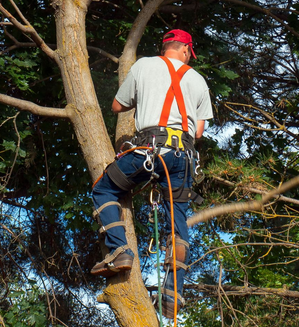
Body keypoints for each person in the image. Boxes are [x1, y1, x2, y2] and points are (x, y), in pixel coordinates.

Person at [90, 29, 213, 319]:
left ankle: (120, 252)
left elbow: (117, 105)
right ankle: (172, 296)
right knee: (177, 226)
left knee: (105, 189)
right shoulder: (198, 80)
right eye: (188, 53)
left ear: (166, 46)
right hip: (182, 157)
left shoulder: (144, 65)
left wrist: (146, 98)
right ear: (185, 50)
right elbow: (197, 132)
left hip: (148, 150)